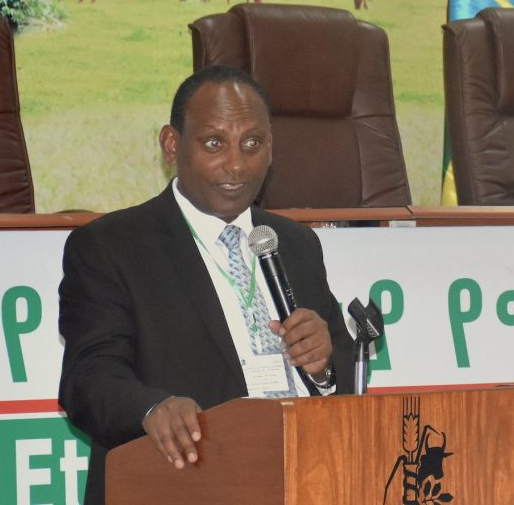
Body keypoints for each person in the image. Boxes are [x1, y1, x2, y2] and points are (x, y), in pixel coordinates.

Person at [58, 65, 355, 504]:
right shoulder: (111, 246)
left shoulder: (295, 244)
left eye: (252, 143)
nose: (236, 164)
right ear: (172, 145)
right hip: (178, 484)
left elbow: (344, 371)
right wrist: (150, 409)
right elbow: (88, 379)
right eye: (214, 143)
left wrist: (325, 368)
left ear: (271, 148)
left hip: (301, 480)